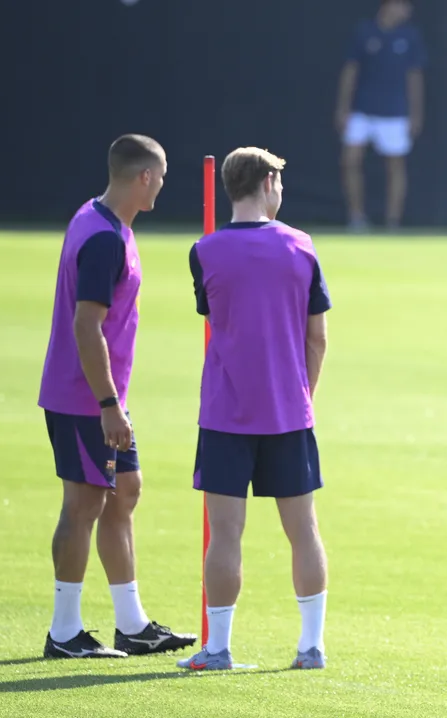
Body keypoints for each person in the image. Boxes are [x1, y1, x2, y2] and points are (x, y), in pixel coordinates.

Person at [37, 134, 195, 659]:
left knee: (124, 491)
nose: (162, 186)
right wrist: (107, 405)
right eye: (161, 177)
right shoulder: (104, 238)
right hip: (85, 397)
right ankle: (64, 633)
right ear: (144, 177)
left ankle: (132, 624)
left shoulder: (100, 219)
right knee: (84, 504)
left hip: (104, 397)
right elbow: (87, 326)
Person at [177, 147, 332, 672]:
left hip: (225, 413)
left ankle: (219, 647)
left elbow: (215, 316)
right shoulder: (301, 246)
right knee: (303, 530)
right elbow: (317, 338)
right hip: (288, 412)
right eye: (280, 182)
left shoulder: (205, 251)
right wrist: (302, 395)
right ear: (267, 182)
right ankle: (311, 647)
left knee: (225, 533)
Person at [334, 0, 427, 232]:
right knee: (350, 161)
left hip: (395, 112)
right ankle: (356, 217)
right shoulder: (364, 32)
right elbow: (351, 71)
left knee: (395, 166)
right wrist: (343, 107)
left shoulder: (410, 36)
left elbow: (415, 77)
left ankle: (392, 222)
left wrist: (415, 113)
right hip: (361, 110)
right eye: (402, 5)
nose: (407, 11)